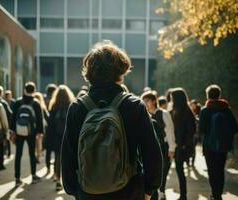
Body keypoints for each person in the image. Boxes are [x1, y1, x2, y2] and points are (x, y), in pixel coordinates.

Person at [61, 40, 163, 200]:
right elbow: (152, 153)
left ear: (89, 74)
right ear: (120, 72)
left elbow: (68, 155)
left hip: (88, 192)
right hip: (129, 190)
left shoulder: (77, 108)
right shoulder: (134, 105)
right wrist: (149, 189)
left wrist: (74, 190)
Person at [199, 85, 238, 200]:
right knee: (220, 170)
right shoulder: (226, 109)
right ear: (219, 95)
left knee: (212, 171)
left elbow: (202, 130)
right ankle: (218, 195)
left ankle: (214, 194)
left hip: (209, 147)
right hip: (223, 146)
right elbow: (236, 128)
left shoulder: (205, 110)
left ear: (208, 96)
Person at [141, 91, 176, 200]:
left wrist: (172, 147)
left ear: (154, 101)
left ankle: (161, 190)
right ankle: (156, 191)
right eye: (144, 101)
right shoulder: (143, 114)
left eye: (148, 101)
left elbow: (170, 131)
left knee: (162, 170)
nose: (146, 103)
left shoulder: (163, 113)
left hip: (163, 145)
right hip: (149, 147)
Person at [12, 82, 44, 186]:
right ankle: (33, 176)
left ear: (24, 90)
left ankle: (17, 178)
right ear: (34, 90)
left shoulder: (18, 102)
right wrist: (40, 132)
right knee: (32, 154)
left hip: (19, 131)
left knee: (18, 154)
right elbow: (39, 119)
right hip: (31, 132)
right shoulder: (36, 103)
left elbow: (13, 118)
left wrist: (13, 131)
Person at [46, 84, 75, 191]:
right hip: (67, 136)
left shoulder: (53, 107)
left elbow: (50, 125)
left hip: (56, 137)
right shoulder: (70, 106)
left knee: (57, 157)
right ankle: (68, 181)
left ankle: (58, 179)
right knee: (68, 159)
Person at [170, 88, 196, 200]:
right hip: (177, 146)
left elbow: (191, 130)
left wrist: (184, 144)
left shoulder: (185, 112)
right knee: (179, 170)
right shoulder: (177, 110)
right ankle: (183, 194)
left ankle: (183, 195)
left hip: (181, 147)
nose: (171, 100)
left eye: (172, 98)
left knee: (180, 171)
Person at [0, 86, 13, 158]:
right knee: (4, 140)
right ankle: (3, 158)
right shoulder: (3, 103)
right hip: (3, 125)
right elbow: (10, 113)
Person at [33, 92, 49, 164]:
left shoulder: (32, 106)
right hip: (40, 127)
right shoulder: (42, 107)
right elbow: (47, 117)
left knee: (34, 143)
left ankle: (34, 156)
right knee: (39, 143)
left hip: (33, 127)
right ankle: (38, 156)